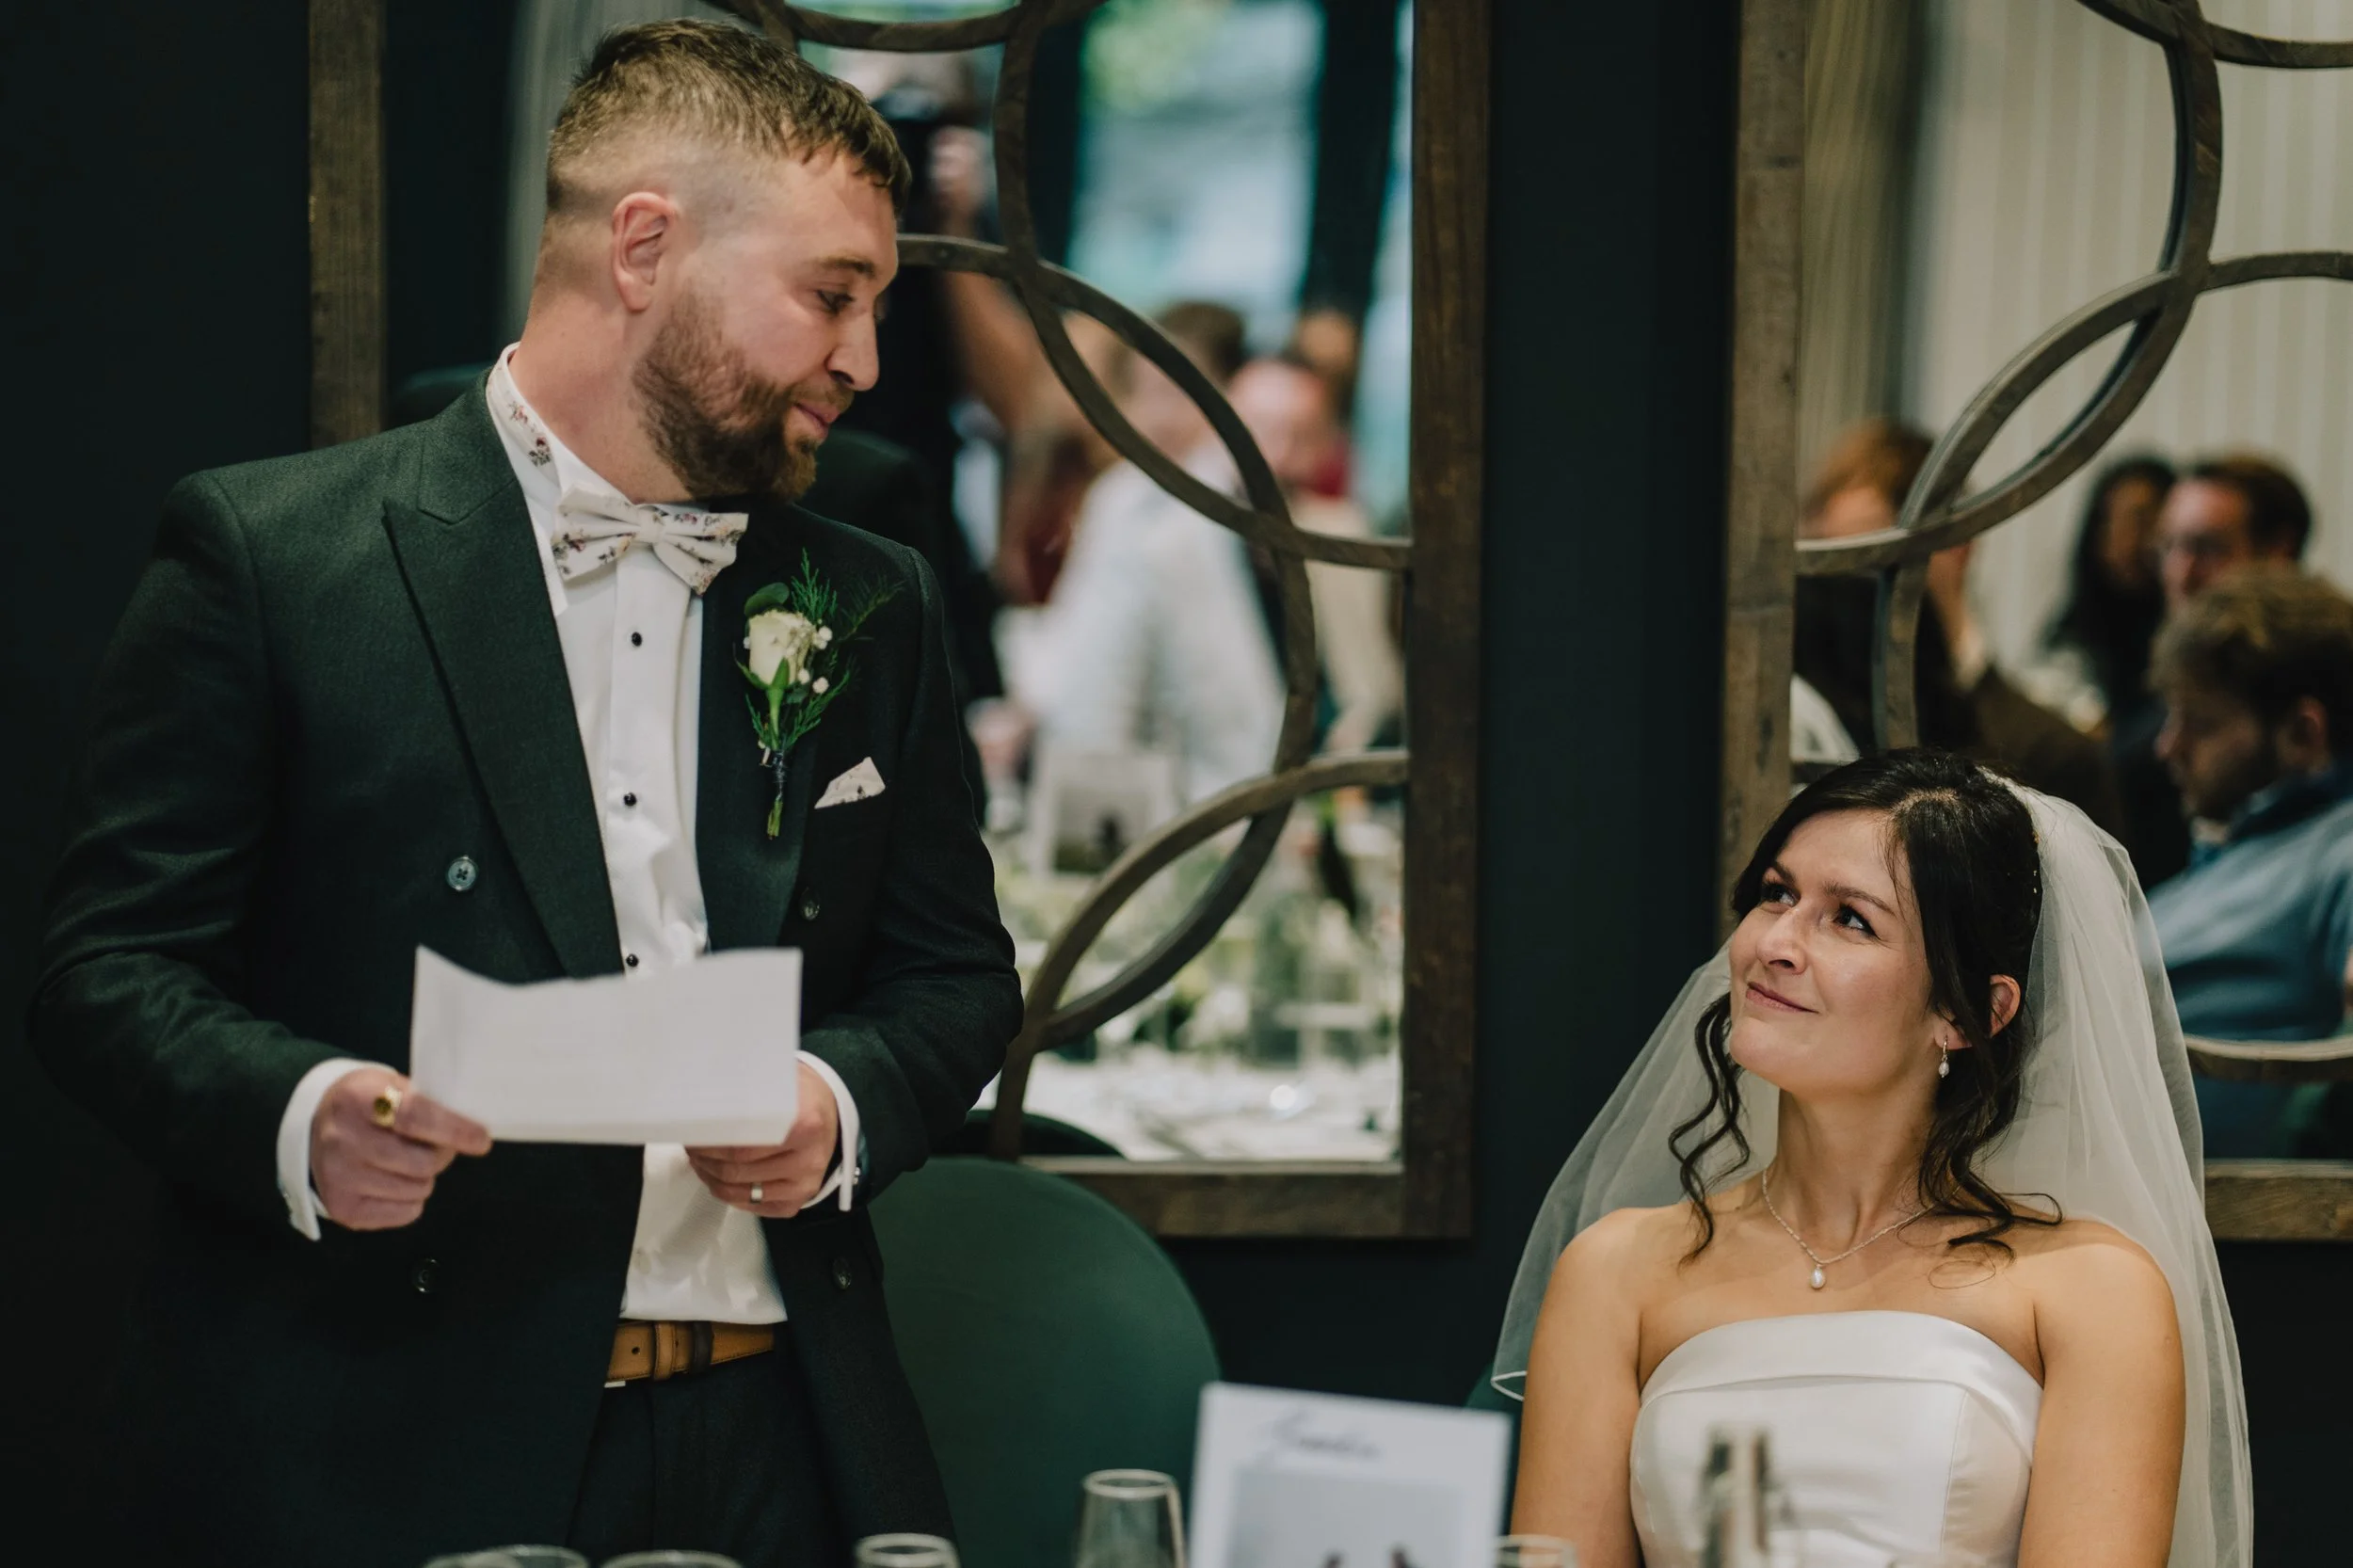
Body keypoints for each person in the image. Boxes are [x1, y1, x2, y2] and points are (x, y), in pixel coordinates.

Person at [29, 24, 1020, 1567]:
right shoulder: (276, 560)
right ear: (645, 247)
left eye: (876, 306)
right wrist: (299, 1111)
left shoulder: (871, 595)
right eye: (831, 294)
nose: (864, 361)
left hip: (784, 1430)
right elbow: (107, 970)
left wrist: (833, 1103)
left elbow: (957, 976)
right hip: (394, 1423)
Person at [1494, 750, 2249, 1567]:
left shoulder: (2092, 1292)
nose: (1777, 943)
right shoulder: (1613, 1272)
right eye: (1777, 894)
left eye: (1850, 919)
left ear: (1968, 1011)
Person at [1006, 301, 1285, 805]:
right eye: (1145, 393)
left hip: (1205, 787)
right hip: (1159, 783)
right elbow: (1094, 673)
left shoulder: (1213, 509)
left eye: (1178, 395)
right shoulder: (1129, 501)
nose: (1159, 416)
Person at [1794, 419, 2126, 837]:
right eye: (1828, 573)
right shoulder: (1804, 735)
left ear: (1957, 547)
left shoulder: (2053, 756)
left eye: (1872, 565)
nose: (1840, 600)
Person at [2145, 568, 2353, 1157]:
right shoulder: (2240, 852)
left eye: (2202, 723)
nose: (2168, 746)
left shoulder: (2341, 852)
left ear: (2302, 733)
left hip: (2235, 1203)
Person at [2112, 455, 2319, 886]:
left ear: (2278, 553)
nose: (2180, 575)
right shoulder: (2138, 751)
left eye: (2206, 549)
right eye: (2168, 548)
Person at [1227, 352, 1403, 753]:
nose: (1279, 456)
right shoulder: (1177, 544)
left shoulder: (1343, 535)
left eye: (1301, 436)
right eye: (1262, 432)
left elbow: (1374, 685)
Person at [2022, 454, 2174, 730]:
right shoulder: (2076, 629)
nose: (2122, 539)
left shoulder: (2183, 631)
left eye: (2140, 520)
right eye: (2109, 521)